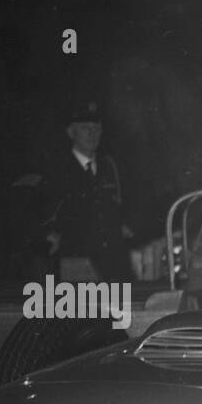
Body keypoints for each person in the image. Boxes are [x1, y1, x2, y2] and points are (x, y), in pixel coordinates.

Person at [39, 98, 133, 282]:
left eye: (96, 128)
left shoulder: (110, 166)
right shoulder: (56, 170)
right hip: (77, 268)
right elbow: (43, 216)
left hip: (115, 266)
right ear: (70, 132)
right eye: (84, 128)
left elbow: (124, 208)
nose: (92, 134)